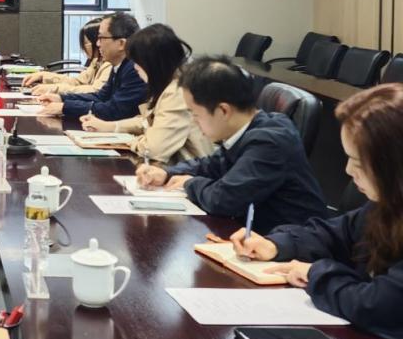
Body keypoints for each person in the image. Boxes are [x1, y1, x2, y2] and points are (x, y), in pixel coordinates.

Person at [229, 83, 403, 339]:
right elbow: (335, 233)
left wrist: (316, 273)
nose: (348, 170)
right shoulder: (389, 204)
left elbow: (377, 307)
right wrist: (277, 245)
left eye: (357, 162)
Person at [136, 55, 326, 232]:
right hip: (256, 237)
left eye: (195, 114)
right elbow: (211, 165)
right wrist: (167, 173)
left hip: (290, 245)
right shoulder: (244, 131)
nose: (193, 121)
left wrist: (190, 183)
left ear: (223, 111)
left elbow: (224, 200)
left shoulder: (269, 142)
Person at [82, 23, 213, 164]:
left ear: (152, 63)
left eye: (137, 62)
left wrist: (131, 141)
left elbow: (153, 149)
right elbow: (146, 121)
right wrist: (109, 127)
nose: (135, 67)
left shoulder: (176, 93)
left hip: (185, 172)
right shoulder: (167, 84)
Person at [36, 12, 147, 120]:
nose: (97, 44)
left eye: (101, 38)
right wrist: (61, 98)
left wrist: (65, 107)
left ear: (121, 44)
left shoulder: (135, 69)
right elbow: (100, 97)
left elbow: (115, 110)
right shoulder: (119, 65)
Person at [22, 17, 112, 97]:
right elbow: (78, 82)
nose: (83, 47)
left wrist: (55, 89)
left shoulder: (110, 64)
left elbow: (95, 91)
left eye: (85, 43)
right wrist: (43, 76)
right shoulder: (97, 61)